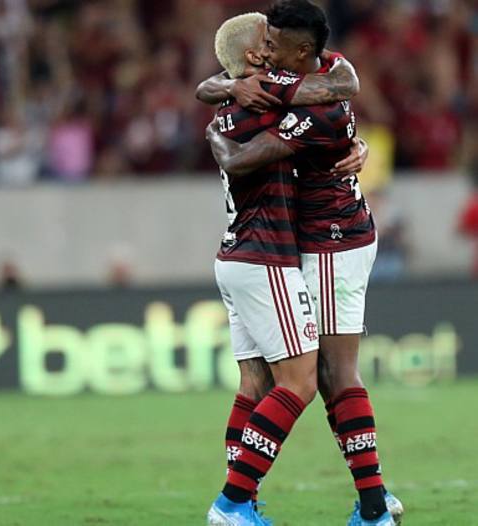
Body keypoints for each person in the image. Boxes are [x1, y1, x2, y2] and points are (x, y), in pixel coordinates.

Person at [205, 1, 402, 524]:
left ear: (300, 51)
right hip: (286, 249)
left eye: (275, 44)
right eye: (262, 44)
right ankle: (241, 503)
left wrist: (216, 130)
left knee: (330, 375)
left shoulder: (314, 99)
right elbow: (215, 83)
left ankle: (374, 505)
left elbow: (338, 91)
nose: (267, 51)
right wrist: (227, 86)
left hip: (334, 241)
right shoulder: (282, 82)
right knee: (288, 381)